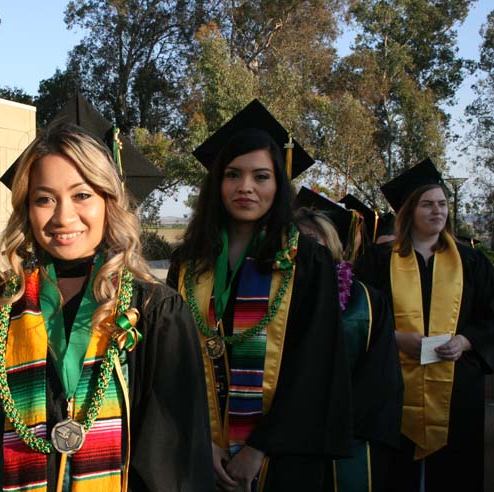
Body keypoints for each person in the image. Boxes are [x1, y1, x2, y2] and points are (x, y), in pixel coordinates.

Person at [0, 123, 214, 491]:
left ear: (108, 201)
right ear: (26, 208)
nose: (63, 217)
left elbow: (175, 461)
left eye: (81, 195)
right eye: (44, 198)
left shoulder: (154, 311)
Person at [167, 99, 353, 492]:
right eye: (232, 175)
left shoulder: (306, 261)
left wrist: (259, 447)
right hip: (202, 451)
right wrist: (204, 438)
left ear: (278, 184)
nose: (245, 187)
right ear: (217, 184)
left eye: (261, 176)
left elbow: (315, 364)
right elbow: (172, 360)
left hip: (281, 457)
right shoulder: (188, 262)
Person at [355, 158, 494, 492]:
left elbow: (491, 316)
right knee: (394, 477)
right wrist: (394, 338)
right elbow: (357, 316)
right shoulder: (377, 261)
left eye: (443, 204)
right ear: (409, 211)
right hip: (392, 388)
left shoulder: (471, 261)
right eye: (427, 204)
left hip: (457, 390)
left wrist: (465, 341)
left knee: (455, 477)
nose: (438, 211)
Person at [294, 188, 403, 492]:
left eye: (313, 239)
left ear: (332, 244)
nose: (304, 247)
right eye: (296, 239)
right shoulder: (271, 297)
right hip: (285, 431)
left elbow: (381, 376)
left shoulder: (366, 302)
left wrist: (338, 418)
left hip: (351, 431)